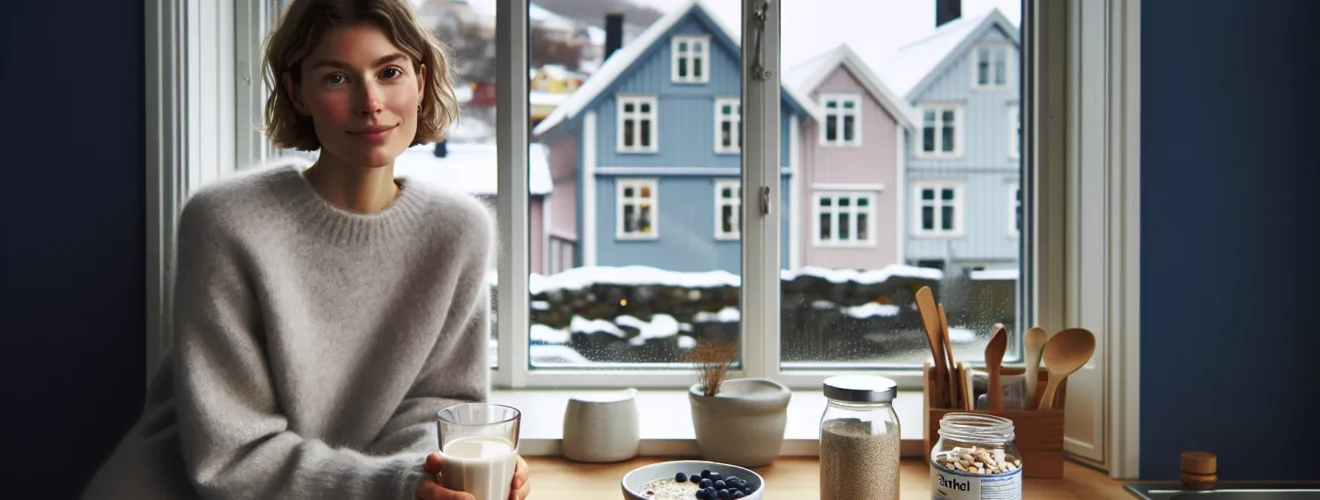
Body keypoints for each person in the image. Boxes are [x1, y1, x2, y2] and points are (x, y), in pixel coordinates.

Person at [80, 1, 529, 499]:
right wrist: (398, 486)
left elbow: (441, 408)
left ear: (420, 83)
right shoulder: (226, 220)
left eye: (390, 71)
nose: (371, 101)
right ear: (297, 94)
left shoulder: (460, 229)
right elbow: (231, 455)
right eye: (337, 78)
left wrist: (433, 478)